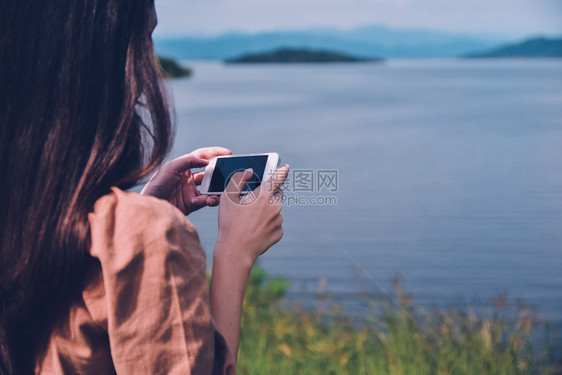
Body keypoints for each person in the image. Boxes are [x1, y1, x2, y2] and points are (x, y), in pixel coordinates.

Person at [0, 1, 289, 374]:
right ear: (99, 54)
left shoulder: (21, 209)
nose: (151, 65)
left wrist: (136, 212)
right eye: (145, 37)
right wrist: (235, 252)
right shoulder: (149, 235)